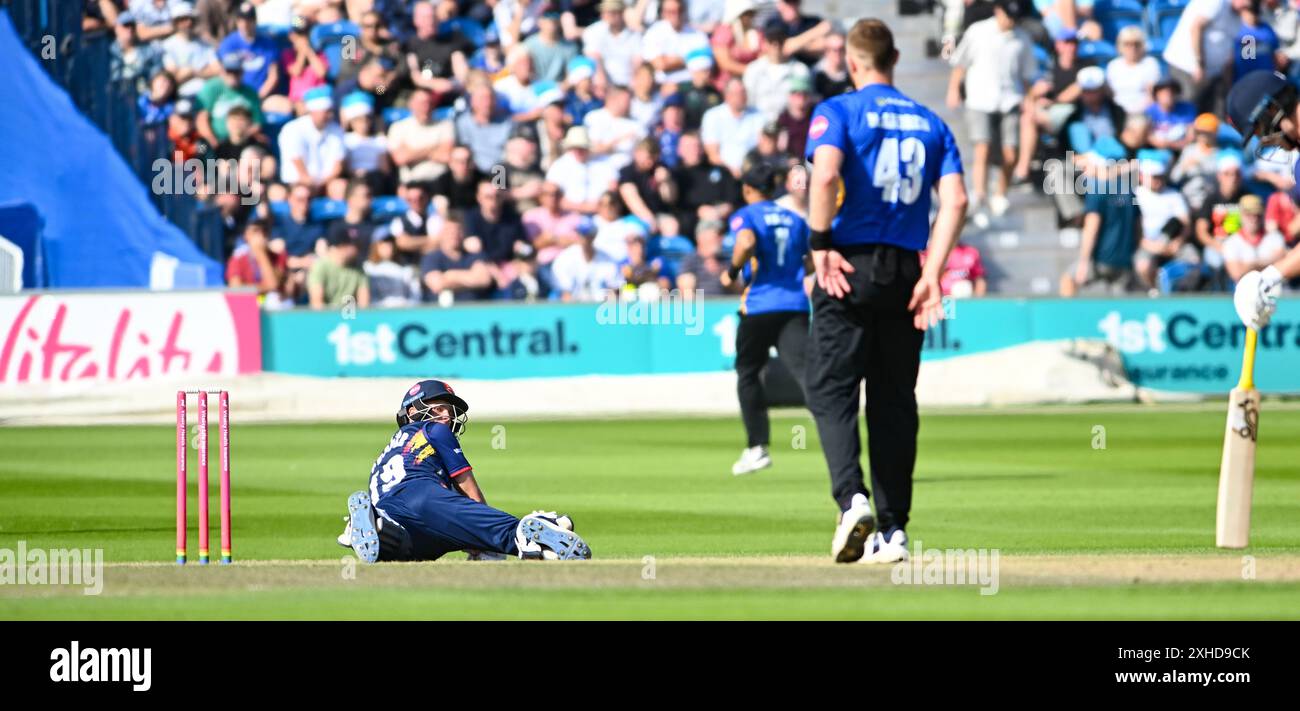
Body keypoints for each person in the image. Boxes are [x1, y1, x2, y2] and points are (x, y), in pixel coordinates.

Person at [804, 19, 966, 565]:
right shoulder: (930, 121)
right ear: (894, 57)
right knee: (895, 401)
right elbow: (958, 200)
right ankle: (894, 530)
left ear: (852, 63)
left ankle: (852, 500)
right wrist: (932, 274)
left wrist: (820, 243)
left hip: (846, 265)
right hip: (904, 268)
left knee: (831, 388)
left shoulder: (838, 111)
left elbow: (825, 177)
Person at [342, 380, 592, 562]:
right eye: (439, 408)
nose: (446, 416)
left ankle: (380, 530)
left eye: (449, 412)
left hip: (389, 509)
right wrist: (481, 529)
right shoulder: (434, 430)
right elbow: (468, 488)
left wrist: (467, 537)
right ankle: (529, 532)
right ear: (412, 411)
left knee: (408, 552)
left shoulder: (386, 453)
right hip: (421, 495)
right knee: (501, 533)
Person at [719, 164, 811, 477]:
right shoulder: (795, 219)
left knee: (748, 372)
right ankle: (835, 435)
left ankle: (757, 447)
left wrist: (731, 272)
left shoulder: (748, 215)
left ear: (747, 190)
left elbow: (745, 243)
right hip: (795, 304)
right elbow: (810, 261)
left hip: (759, 305)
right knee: (807, 374)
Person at [946, 0, 1036, 217]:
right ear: (998, 11)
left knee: (1010, 153)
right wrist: (954, 89)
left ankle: (1000, 193)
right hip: (980, 98)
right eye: (1007, 15)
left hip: (1009, 99)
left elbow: (1026, 75)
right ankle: (980, 193)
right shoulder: (978, 32)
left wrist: (1029, 100)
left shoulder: (1022, 39)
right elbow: (961, 63)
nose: (1010, 21)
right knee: (982, 148)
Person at [308, 231, 370, 309]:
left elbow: (364, 304)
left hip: (350, 317)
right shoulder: (320, 266)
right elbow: (316, 303)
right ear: (341, 246)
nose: (357, 249)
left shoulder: (359, 270)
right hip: (325, 317)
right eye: (354, 245)